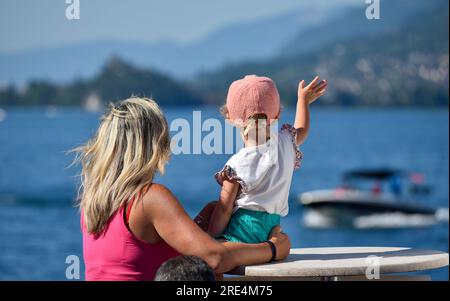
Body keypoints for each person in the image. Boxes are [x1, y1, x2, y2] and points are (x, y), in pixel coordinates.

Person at [75, 97, 290, 281]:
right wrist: (272, 248)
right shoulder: (149, 198)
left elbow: (139, 253)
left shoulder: (93, 203)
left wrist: (201, 223)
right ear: (153, 145)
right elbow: (215, 259)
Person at [208, 75, 327, 243]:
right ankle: (273, 249)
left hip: (244, 230)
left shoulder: (236, 164)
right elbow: (302, 129)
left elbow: (224, 210)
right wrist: (303, 101)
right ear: (277, 114)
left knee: (209, 246)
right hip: (271, 227)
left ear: (230, 118)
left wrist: (211, 239)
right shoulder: (286, 142)